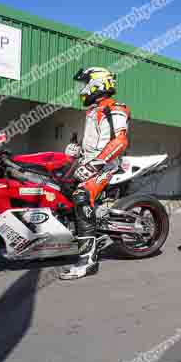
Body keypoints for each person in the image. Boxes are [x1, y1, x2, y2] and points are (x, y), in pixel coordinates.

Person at [59, 67, 131, 280]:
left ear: (96, 84)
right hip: (90, 163)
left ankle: (87, 261)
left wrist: (95, 165)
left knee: (81, 196)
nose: (82, 89)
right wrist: (78, 149)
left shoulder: (115, 108)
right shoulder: (93, 111)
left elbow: (119, 141)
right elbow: (95, 143)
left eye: (84, 84)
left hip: (106, 166)